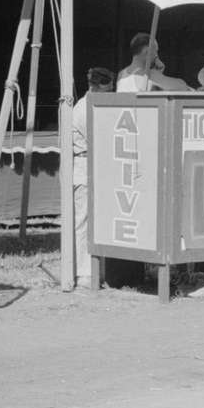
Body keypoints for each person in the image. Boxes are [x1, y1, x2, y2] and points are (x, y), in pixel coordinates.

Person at [73, 66, 115, 287]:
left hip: (96, 167)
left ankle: (97, 271)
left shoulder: (95, 106)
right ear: (96, 87)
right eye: (107, 91)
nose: (109, 96)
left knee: (96, 222)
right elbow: (100, 139)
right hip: (84, 167)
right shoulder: (84, 109)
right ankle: (84, 274)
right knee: (84, 221)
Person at [116, 32, 190, 92]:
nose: (156, 56)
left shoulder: (121, 74)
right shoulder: (149, 74)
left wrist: (159, 74)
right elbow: (181, 85)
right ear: (147, 51)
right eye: (156, 51)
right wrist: (157, 74)